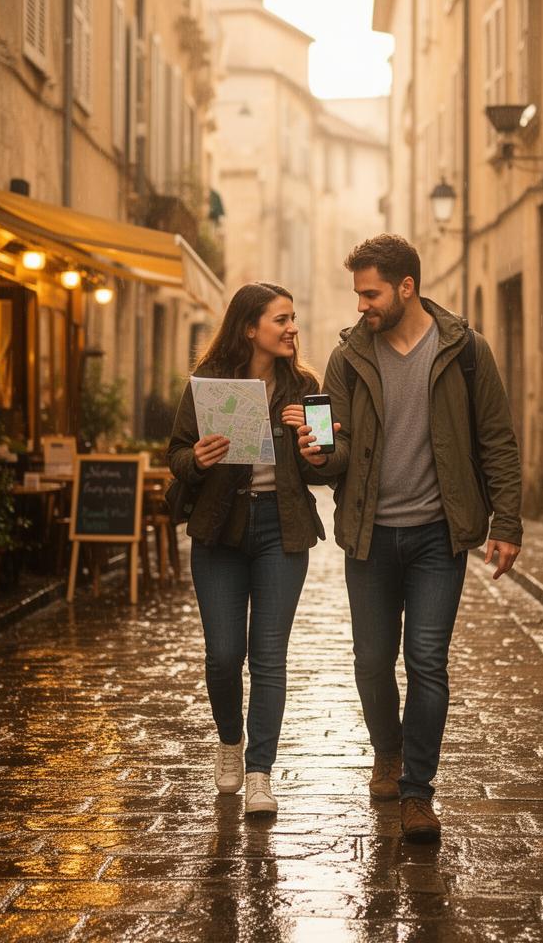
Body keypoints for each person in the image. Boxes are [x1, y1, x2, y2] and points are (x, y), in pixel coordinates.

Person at [298, 233, 523, 844]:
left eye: (370, 293)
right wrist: (317, 454)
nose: (362, 304)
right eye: (357, 294)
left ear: (406, 287)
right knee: (372, 662)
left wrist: (506, 522)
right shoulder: (347, 358)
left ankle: (418, 792)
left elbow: (496, 439)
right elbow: (337, 454)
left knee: (427, 662)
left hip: (435, 537)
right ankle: (388, 754)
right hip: (369, 536)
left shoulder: (465, 351)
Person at [168, 282, 329, 817]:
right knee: (223, 655)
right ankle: (230, 743)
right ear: (249, 328)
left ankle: (260, 772)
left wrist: (310, 439)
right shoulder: (209, 384)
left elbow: (324, 466)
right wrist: (199, 458)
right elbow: (177, 456)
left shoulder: (304, 385)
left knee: (268, 657)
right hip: (220, 530)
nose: (291, 329)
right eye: (280, 320)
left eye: (293, 318)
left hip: (280, 530)